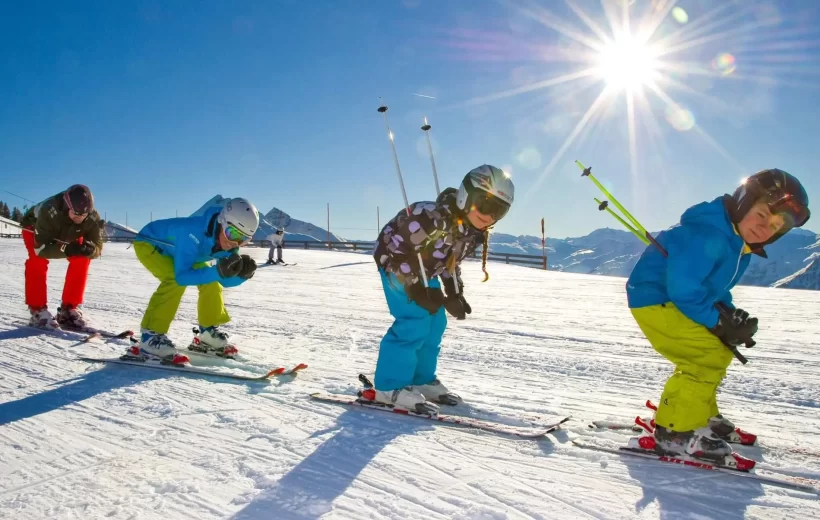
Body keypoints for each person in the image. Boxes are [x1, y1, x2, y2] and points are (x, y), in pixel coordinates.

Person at [626, 169, 810, 461]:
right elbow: (684, 289)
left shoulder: (738, 244)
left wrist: (727, 314)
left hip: (674, 299)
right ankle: (676, 432)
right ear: (742, 203)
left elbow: (714, 287)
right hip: (656, 299)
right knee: (703, 356)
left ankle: (699, 414)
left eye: (775, 226)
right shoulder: (707, 234)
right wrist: (714, 322)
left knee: (719, 351)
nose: (765, 228)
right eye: (762, 215)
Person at [370, 165, 515, 413]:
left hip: (427, 271)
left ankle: (421, 379)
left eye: (498, 211)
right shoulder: (427, 216)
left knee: (436, 322)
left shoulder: (470, 231)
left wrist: (454, 292)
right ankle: (389, 387)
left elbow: (450, 261)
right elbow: (396, 253)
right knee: (414, 319)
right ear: (465, 196)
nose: (489, 215)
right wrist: (415, 289)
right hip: (396, 266)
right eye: (485, 204)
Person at [132, 197, 260, 362]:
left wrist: (242, 275)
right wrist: (218, 271)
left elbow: (223, 280)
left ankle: (207, 333)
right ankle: (150, 337)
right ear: (222, 222)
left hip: (188, 254)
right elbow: (182, 276)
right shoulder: (192, 232)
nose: (234, 243)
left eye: (243, 240)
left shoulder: (229, 244)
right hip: (151, 244)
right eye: (232, 233)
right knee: (173, 280)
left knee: (211, 281)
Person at [20, 184, 103, 330]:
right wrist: (67, 249)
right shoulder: (48, 210)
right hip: (35, 228)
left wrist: (89, 250)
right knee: (37, 261)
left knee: (82, 258)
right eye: (76, 214)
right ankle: (37, 310)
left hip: (68, 230)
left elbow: (97, 246)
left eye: (83, 216)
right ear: (67, 206)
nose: (80, 218)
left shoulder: (91, 216)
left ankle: (68, 309)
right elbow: (41, 249)